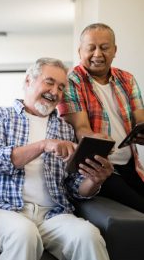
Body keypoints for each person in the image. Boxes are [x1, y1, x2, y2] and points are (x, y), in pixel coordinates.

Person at [0, 58, 111, 260]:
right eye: (49, 82)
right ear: (28, 81)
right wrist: (43, 145)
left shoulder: (65, 129)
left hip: (53, 214)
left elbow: (74, 186)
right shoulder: (0, 116)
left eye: (61, 87)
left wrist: (94, 180)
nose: (55, 92)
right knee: (24, 234)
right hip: (6, 210)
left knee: (88, 236)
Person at [58, 23, 144, 213]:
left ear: (115, 50)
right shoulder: (71, 81)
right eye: (91, 48)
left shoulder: (127, 79)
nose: (98, 54)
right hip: (97, 168)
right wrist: (98, 140)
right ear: (80, 51)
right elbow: (81, 128)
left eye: (104, 48)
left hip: (131, 166)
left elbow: (140, 119)